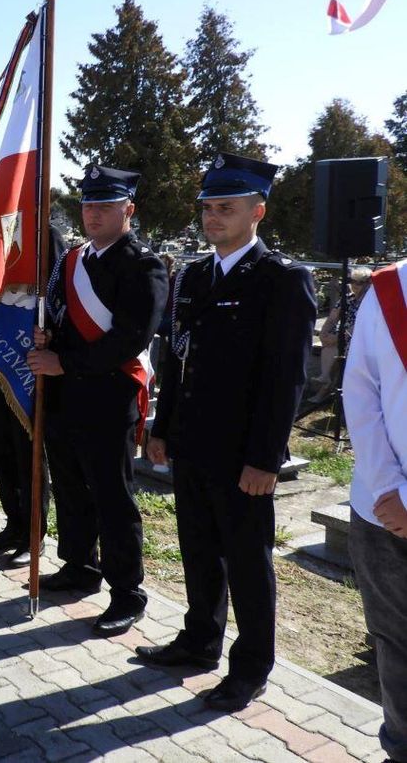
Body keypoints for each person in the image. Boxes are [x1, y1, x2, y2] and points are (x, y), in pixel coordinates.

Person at [138, 153, 316, 712]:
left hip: (243, 455)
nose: (212, 217)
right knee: (198, 550)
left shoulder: (281, 279)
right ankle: (199, 640)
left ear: (257, 212)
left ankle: (251, 668)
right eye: (208, 208)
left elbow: (286, 379)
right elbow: (177, 359)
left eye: (226, 208)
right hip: (193, 443)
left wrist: (266, 458)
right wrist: (163, 428)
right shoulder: (193, 276)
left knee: (247, 562)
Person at [27, 165, 167, 638]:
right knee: (70, 486)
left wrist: (63, 362)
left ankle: (127, 592)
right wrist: (49, 337)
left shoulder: (142, 264)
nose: (93, 214)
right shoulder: (72, 260)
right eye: (88, 204)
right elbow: (61, 315)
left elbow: (129, 339)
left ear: (128, 210)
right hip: (65, 396)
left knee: (112, 496)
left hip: (108, 396)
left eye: (105, 205)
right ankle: (79, 566)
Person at [343, 257, 407, 763]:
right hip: (381, 510)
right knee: (395, 645)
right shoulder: (391, 287)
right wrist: (389, 488)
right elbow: (361, 389)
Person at [0, 225, 65, 568]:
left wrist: (49, 339)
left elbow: (56, 297)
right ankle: (13, 524)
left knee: (28, 453)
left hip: (29, 360)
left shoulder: (46, 234)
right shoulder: (1, 228)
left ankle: (33, 534)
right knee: (3, 448)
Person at [313, 266, 372, 398]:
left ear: (368, 284)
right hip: (344, 334)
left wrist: (339, 337)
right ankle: (326, 379)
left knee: (341, 345)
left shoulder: (371, 302)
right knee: (329, 342)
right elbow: (332, 318)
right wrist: (323, 333)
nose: (355, 285)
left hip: (361, 336)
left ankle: (326, 385)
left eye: (360, 282)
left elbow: (360, 325)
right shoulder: (347, 298)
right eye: (352, 281)